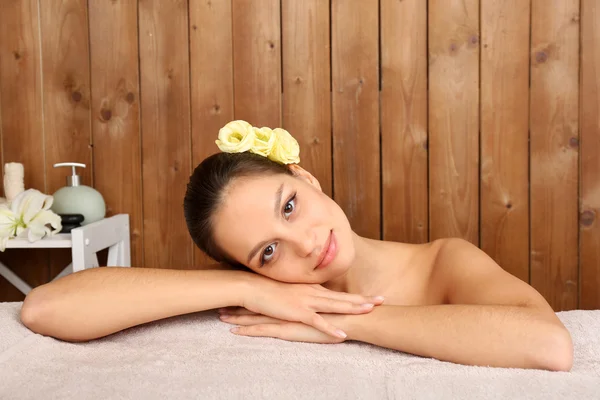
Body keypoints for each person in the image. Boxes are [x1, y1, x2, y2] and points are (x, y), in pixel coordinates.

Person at [20, 120, 573, 372]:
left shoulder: (445, 261)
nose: (305, 244)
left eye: (289, 206)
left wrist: (340, 322)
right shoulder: (264, 288)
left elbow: (548, 344)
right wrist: (244, 286)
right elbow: (46, 306)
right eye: (266, 251)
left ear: (306, 179)